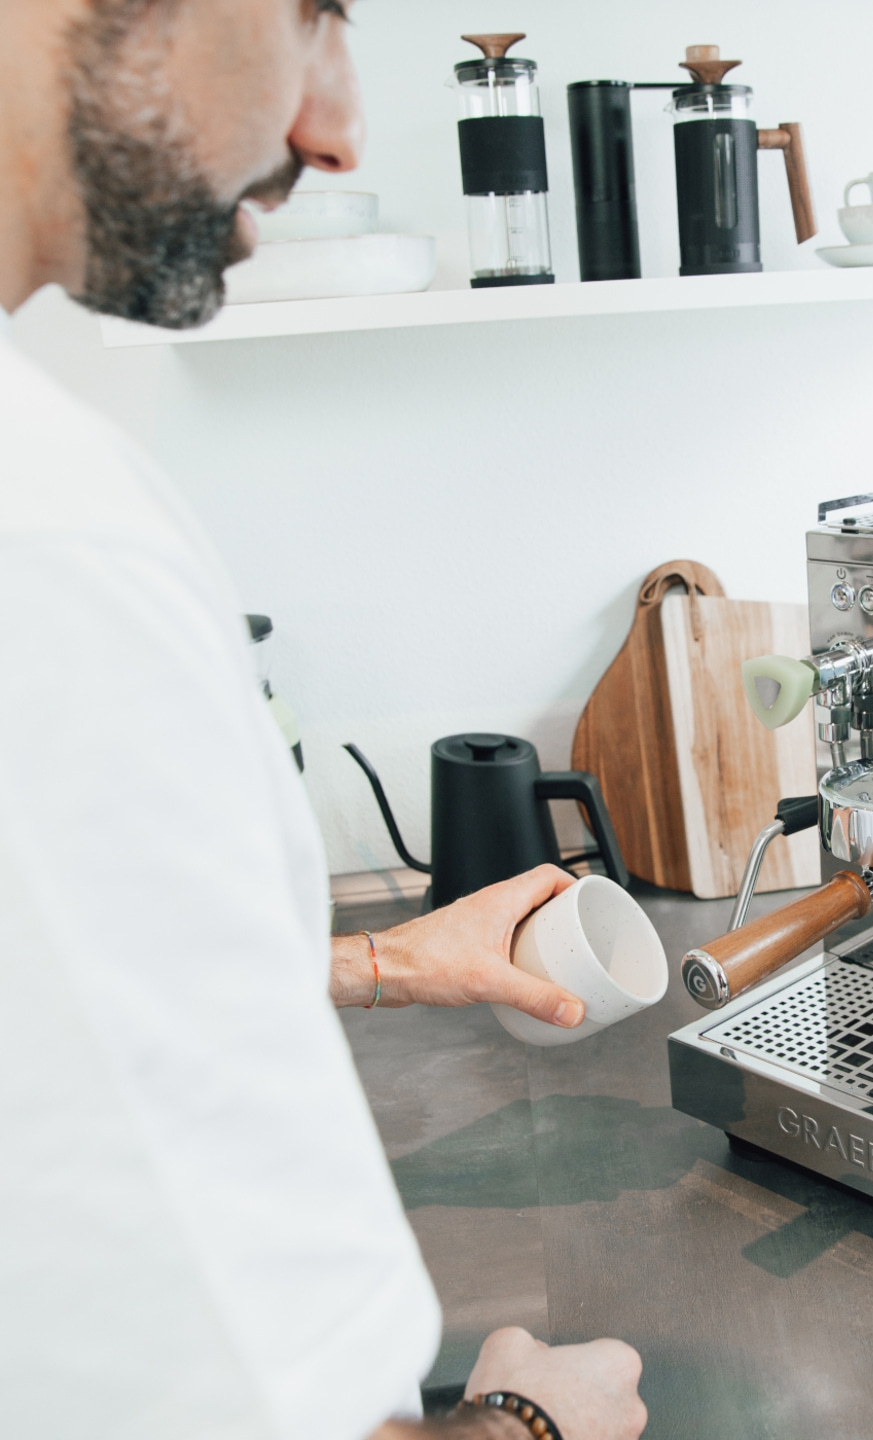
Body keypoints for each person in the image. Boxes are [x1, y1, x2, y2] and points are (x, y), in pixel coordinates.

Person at [0, 3, 647, 1438]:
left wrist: (372, 967)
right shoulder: (45, 536)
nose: (337, 127)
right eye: (317, 18)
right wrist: (530, 1425)